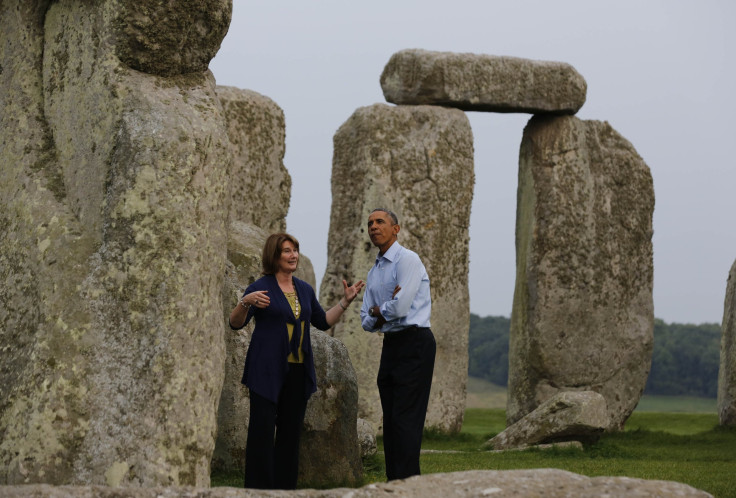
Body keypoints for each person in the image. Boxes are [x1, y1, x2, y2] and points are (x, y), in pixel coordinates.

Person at [229, 232, 364, 490]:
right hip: (266, 370)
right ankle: (257, 492)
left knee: (290, 436)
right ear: (274, 256)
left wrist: (345, 302)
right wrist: (245, 302)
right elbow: (236, 324)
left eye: (295, 250)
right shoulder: (260, 287)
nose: (293, 255)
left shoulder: (304, 289)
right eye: (287, 251)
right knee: (262, 433)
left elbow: (322, 322)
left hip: (298, 370)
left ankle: (285, 491)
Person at [359, 208, 436, 481]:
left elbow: (401, 308)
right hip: (391, 343)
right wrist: (381, 311)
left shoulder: (408, 260)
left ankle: (409, 484)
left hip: (415, 342)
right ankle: (394, 484)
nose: (373, 227)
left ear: (396, 229)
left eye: (380, 222)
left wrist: (379, 311)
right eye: (370, 223)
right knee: (391, 420)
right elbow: (364, 320)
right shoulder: (374, 272)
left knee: (405, 419)